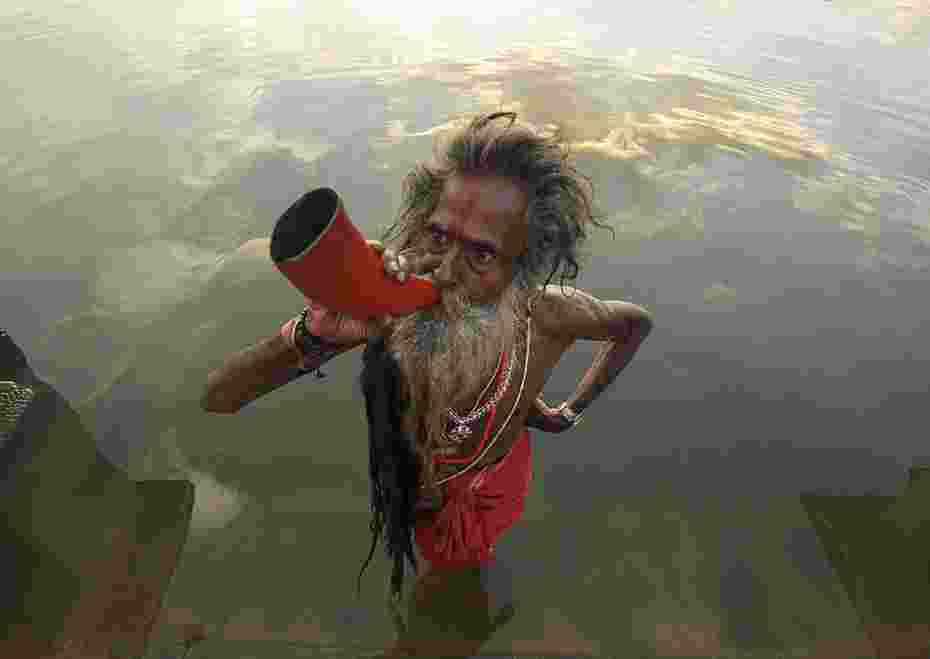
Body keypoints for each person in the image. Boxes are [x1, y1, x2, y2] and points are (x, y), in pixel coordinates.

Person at [202, 112, 653, 656]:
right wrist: (310, 335)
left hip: (501, 478)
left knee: (452, 590)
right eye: (438, 236)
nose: (443, 271)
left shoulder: (552, 319)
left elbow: (634, 326)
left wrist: (568, 409)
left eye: (481, 254)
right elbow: (219, 399)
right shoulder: (390, 317)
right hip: (419, 493)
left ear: (523, 267)